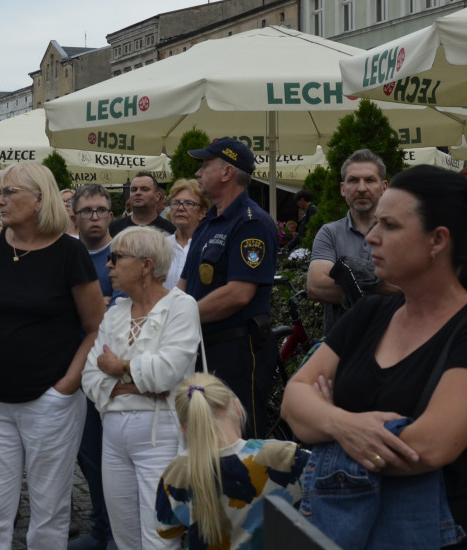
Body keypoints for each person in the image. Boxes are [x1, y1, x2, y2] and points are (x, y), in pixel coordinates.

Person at [281, 165, 467, 550]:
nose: (373, 238)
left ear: (437, 240)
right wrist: (344, 424)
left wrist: (325, 425)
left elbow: (424, 448)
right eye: (375, 224)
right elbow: (293, 399)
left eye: (390, 226)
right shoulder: (369, 315)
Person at [0, 162, 106, 549]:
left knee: (49, 512)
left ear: (40, 199)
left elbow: (95, 327)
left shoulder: (69, 252)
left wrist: (66, 387)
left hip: (49, 402)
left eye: (8, 193)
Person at [82, 226, 201, 549]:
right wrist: (136, 384)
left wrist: (118, 368)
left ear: (146, 265)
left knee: (159, 535)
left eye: (116, 258)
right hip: (114, 432)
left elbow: (168, 372)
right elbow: (90, 377)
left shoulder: (181, 306)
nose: (108, 265)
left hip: (160, 432)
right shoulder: (116, 313)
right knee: (125, 537)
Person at [178, 138, 278, 440]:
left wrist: (178, 315)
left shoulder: (252, 224)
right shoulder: (209, 221)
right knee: (202, 439)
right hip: (202, 347)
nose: (198, 174)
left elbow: (239, 293)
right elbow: (185, 283)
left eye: (205, 166)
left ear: (226, 173)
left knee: (238, 440)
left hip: (237, 353)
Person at [156, 374, 308, 550]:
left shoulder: (177, 471)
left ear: (184, 428)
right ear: (236, 406)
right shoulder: (286, 456)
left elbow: (167, 530)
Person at [70, 183, 117, 550]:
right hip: (73, 369)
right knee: (88, 456)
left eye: (102, 209)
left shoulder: (125, 252)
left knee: (115, 456)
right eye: (88, 210)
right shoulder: (67, 254)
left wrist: (104, 306)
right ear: (75, 215)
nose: (95, 217)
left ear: (111, 214)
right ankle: (102, 527)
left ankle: (119, 532)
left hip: (116, 373)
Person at [307, 149, 388, 333]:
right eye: (353, 180)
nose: (361, 188)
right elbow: (316, 286)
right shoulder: (329, 233)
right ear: (343, 189)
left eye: (369, 180)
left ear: (384, 188)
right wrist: (384, 288)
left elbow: (412, 287)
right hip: (340, 348)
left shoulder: (401, 232)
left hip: (393, 344)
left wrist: (349, 284)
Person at [163, 179, 207, 290]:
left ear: (202, 212)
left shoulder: (208, 246)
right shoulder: (160, 246)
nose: (181, 208)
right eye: (176, 203)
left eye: (189, 203)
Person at [110, 173, 175, 237]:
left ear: (157, 196)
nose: (138, 193)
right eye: (133, 189)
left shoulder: (171, 231)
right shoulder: (113, 229)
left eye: (144, 189)